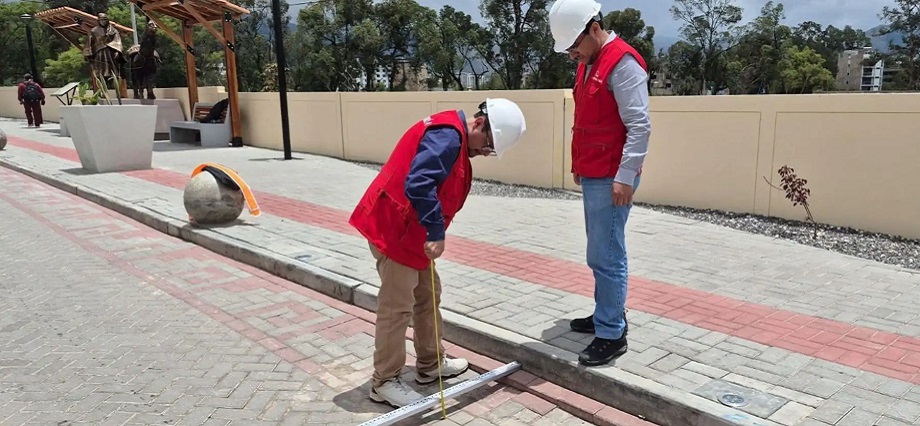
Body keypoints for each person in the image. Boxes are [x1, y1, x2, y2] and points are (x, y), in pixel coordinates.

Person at [348, 98, 527, 407]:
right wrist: (435, 231)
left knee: (429, 295)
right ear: (480, 124)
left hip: (410, 233)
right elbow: (419, 183)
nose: (486, 152)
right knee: (397, 306)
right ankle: (385, 381)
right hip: (396, 232)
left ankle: (430, 365)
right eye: (489, 144)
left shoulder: (454, 137)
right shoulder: (447, 136)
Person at [547, 0, 651, 367]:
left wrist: (625, 177)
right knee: (600, 252)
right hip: (594, 172)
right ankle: (607, 313)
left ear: (594, 28)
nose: (572, 53)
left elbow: (639, 126)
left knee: (606, 255)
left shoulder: (622, 63)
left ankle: (611, 333)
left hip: (612, 177)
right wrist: (579, 164)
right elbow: (587, 118)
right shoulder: (588, 62)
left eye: (574, 45)